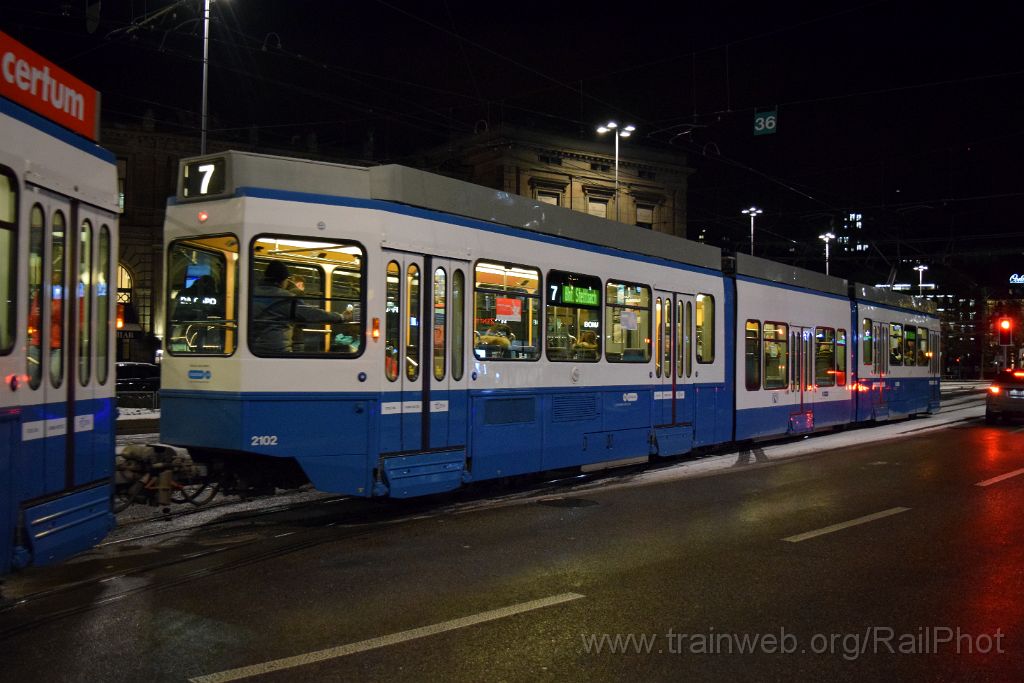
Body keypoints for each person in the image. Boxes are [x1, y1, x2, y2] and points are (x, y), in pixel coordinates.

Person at [251, 261, 347, 354]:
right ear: (283, 280)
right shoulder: (286, 298)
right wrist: (341, 317)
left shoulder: (251, 294)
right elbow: (311, 314)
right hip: (277, 351)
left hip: (253, 348)